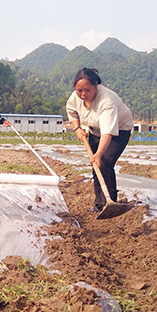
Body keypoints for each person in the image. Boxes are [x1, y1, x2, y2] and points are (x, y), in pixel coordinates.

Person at [66, 67, 133, 212]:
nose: (83, 94)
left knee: (104, 163)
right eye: (79, 91)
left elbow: (107, 132)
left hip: (119, 131)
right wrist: (77, 128)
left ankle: (111, 202)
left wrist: (99, 154)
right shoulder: (75, 97)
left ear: (96, 85)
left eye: (87, 90)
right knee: (95, 166)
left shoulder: (106, 101)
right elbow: (71, 111)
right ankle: (99, 205)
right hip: (95, 130)